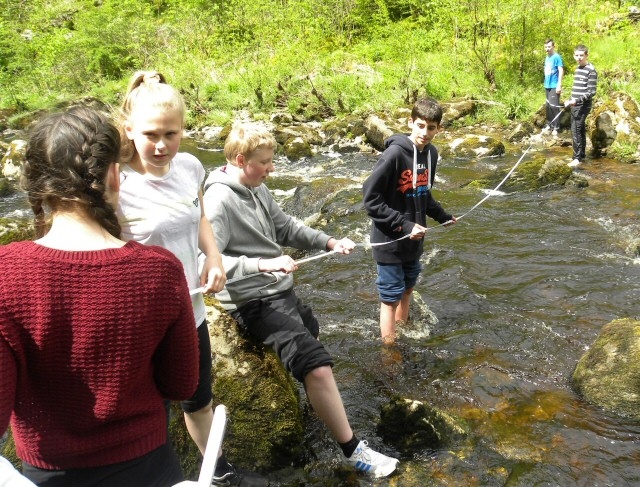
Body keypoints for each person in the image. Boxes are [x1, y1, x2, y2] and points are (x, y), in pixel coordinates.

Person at [0, 107, 199, 486]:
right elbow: (181, 385)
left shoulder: (4, 273)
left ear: (37, 183)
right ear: (113, 175)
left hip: (48, 475)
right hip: (150, 468)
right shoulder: (160, 268)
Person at [201, 123, 400, 479]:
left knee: (312, 330)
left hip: (280, 292)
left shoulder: (256, 187)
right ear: (241, 159)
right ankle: (354, 451)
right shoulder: (218, 200)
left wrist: (328, 242)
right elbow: (206, 263)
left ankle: (315, 405)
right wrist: (263, 263)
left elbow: (286, 227)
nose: (272, 169)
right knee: (317, 365)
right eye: (265, 162)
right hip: (253, 302)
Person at [116, 71, 262, 486]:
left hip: (192, 310)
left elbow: (198, 215)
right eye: (150, 134)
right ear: (129, 129)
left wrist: (213, 256)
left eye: (172, 134)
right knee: (152, 408)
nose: (161, 145)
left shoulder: (189, 166)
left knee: (198, 399)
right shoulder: (117, 180)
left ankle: (217, 473)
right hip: (141, 321)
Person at [362, 97, 456, 345]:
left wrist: (442, 217)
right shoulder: (393, 154)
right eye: (420, 125)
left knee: (407, 289)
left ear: (439, 129)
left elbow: (423, 194)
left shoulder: (431, 155)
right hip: (389, 240)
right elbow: (370, 199)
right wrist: (405, 226)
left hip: (414, 240)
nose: (425, 133)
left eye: (432, 127)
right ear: (410, 122)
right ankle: (389, 348)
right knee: (390, 297)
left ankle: (403, 332)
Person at [564, 44, 597, 167]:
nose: (578, 58)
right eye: (576, 55)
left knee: (576, 129)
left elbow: (591, 92)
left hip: (583, 105)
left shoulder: (591, 70)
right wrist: (571, 99)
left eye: (581, 55)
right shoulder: (578, 69)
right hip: (575, 104)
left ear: (586, 55)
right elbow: (577, 88)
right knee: (580, 129)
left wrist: (575, 101)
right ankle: (581, 155)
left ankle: (577, 158)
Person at [543, 38, 564, 134]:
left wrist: (559, 84)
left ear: (553, 47)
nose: (547, 49)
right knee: (548, 106)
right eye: (546, 47)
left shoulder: (557, 57)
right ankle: (549, 124)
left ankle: (556, 127)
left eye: (549, 47)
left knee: (554, 106)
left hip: (554, 85)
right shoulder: (547, 57)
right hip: (547, 85)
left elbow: (561, 70)